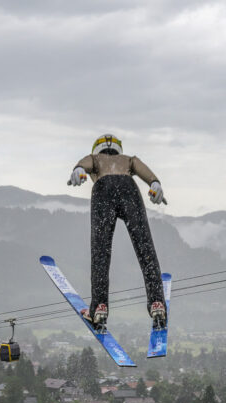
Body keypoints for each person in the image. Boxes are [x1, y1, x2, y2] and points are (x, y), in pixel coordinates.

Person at [67, 133, 167, 329]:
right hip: (129, 189)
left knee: (100, 251)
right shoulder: (127, 160)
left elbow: (85, 163)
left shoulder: (96, 159)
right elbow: (141, 168)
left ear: (97, 148)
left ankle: (100, 307)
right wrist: (155, 183)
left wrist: (78, 169)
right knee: (144, 246)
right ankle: (157, 303)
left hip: (103, 191)